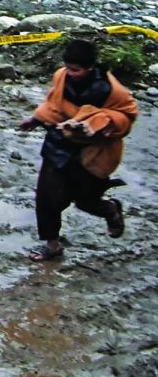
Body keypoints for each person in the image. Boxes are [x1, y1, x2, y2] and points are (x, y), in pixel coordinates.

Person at [19, 39, 138, 263]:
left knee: (85, 200)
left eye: (76, 70)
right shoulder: (61, 76)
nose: (70, 73)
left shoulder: (112, 91)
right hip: (58, 144)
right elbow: (53, 105)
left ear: (90, 68)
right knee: (46, 197)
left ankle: (110, 210)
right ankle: (52, 245)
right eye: (68, 68)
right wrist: (35, 119)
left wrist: (97, 122)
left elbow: (126, 118)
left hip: (92, 151)